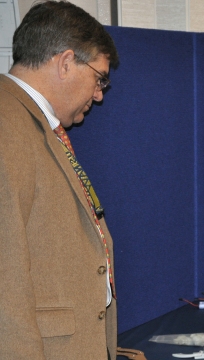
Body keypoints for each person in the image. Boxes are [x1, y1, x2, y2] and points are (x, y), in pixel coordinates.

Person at [0, 1, 119, 359]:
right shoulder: (6, 124)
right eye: (99, 77)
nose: (99, 94)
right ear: (66, 62)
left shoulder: (30, 120)